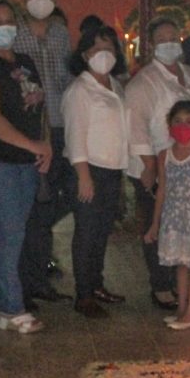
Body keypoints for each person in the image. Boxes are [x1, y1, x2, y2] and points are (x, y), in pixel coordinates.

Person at [0, 0, 51, 334]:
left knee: (14, 233)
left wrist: (46, 145)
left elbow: (39, 107)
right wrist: (33, 145)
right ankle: (11, 306)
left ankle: (3, 304)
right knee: (11, 230)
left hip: (26, 161)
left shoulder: (25, 61)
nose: (5, 27)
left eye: (9, 21)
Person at [125, 17, 190, 311]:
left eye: (172, 37)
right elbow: (136, 127)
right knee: (160, 224)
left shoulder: (189, 74)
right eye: (161, 38)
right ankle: (162, 285)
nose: (168, 43)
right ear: (151, 44)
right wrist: (150, 167)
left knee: (187, 228)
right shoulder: (144, 81)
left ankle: (186, 287)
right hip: (161, 166)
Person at [63, 20, 130, 319]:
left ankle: (97, 284)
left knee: (102, 231)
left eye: (109, 48)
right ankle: (84, 294)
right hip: (88, 169)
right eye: (97, 48)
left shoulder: (113, 84)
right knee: (87, 233)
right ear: (85, 54)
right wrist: (83, 176)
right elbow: (75, 135)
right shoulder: (80, 89)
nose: (104, 53)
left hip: (111, 169)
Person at [15, 0, 75, 308]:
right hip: (29, 132)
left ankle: (39, 278)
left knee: (50, 205)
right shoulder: (12, 33)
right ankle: (23, 285)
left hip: (60, 128)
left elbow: (67, 79)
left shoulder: (61, 34)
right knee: (29, 209)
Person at [145, 101, 190, 330]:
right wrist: (155, 223)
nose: (182, 126)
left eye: (189, 122)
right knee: (180, 265)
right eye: (177, 121)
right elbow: (161, 189)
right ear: (169, 124)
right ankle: (181, 308)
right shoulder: (165, 155)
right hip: (173, 218)